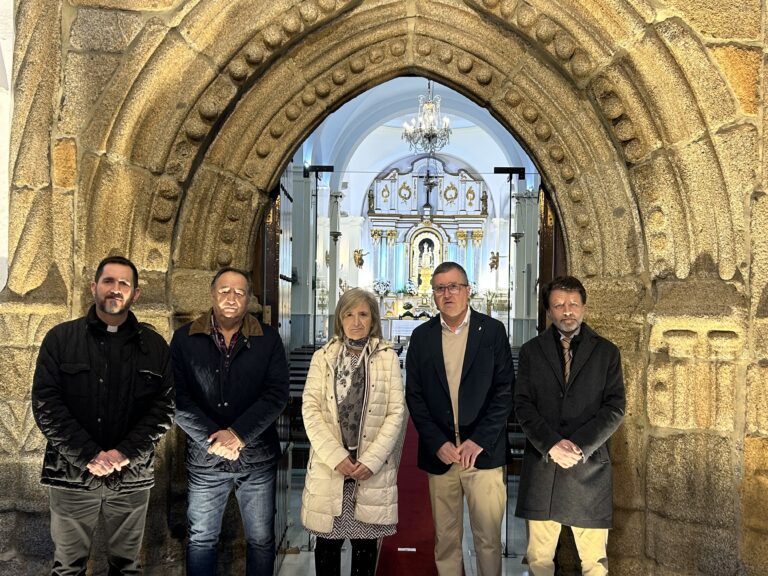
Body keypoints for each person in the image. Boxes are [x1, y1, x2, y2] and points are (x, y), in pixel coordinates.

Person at [31, 255, 174, 575]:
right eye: (108, 281)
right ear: (94, 287)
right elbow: (46, 404)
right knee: (68, 567)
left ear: (135, 293)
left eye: (124, 283)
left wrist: (125, 453)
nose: (115, 288)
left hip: (131, 477)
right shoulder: (61, 339)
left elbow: (164, 408)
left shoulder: (155, 346)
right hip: (71, 476)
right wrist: (88, 455)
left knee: (127, 567)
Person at [171, 267, 289, 575]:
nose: (231, 298)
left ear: (249, 298)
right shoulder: (185, 338)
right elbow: (176, 397)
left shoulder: (268, 338)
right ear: (212, 294)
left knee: (261, 540)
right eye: (224, 290)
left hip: (256, 458)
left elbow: (276, 394)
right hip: (205, 459)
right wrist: (213, 437)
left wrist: (238, 435)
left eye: (239, 292)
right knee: (201, 539)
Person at [406, 261, 514, 576]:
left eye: (454, 286)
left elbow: (505, 391)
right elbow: (414, 396)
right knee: (446, 540)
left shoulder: (492, 331)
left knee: (488, 539)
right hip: (442, 455)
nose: (447, 294)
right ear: (433, 294)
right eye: (440, 288)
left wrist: (479, 440)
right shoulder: (421, 336)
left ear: (467, 290)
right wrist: (437, 442)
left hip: (483, 454)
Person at [514, 276, 625, 576]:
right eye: (559, 305)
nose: (567, 311)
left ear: (584, 307)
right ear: (548, 311)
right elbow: (523, 405)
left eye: (573, 304)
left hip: (588, 467)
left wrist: (578, 446)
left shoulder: (607, 352)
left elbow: (615, 407)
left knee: (594, 563)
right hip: (544, 466)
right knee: (539, 560)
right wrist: (551, 444)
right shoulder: (531, 351)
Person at [301, 288, 406, 576]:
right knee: (327, 547)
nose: (356, 321)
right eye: (349, 314)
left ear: (373, 319)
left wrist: (371, 460)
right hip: (330, 467)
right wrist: (336, 457)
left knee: (364, 549)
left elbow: (396, 412)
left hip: (369, 470)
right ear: (339, 319)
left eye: (363, 314)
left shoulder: (387, 358)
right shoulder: (322, 357)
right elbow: (310, 410)